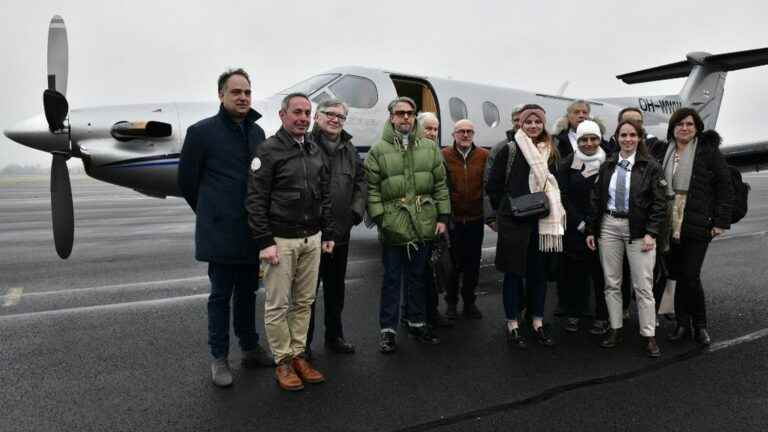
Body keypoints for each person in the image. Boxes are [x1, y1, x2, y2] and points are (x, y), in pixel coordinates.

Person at [178, 68, 273, 388]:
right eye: (236, 92)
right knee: (220, 297)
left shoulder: (257, 133)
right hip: (219, 232)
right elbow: (187, 183)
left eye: (247, 92)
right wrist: (211, 213)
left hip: (251, 232)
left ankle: (249, 348)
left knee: (249, 293)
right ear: (221, 95)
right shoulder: (200, 133)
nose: (243, 97)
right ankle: (219, 357)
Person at [246, 92, 336, 391]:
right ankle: (283, 361)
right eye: (297, 112)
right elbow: (255, 200)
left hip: (312, 239)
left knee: (305, 302)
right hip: (281, 241)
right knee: (277, 305)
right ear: (283, 115)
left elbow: (324, 195)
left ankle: (298, 355)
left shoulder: (314, 149)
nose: (303, 118)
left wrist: (328, 233)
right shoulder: (268, 151)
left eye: (307, 113)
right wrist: (264, 241)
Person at [365, 96, 451, 354]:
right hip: (393, 226)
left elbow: (439, 186)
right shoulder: (378, 151)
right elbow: (372, 191)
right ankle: (388, 331)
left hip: (423, 224)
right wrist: (382, 219)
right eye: (400, 113)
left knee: (418, 277)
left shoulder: (429, 147)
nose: (405, 117)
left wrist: (443, 217)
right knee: (391, 280)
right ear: (391, 117)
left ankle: (417, 322)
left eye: (410, 113)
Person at [486, 104, 566, 348]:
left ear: (543, 124)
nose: (533, 126)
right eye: (528, 122)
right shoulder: (509, 149)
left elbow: (558, 182)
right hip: (515, 223)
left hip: (542, 222)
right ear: (520, 123)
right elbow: (493, 185)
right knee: (513, 275)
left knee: (538, 275)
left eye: (537, 122)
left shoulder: (552, 150)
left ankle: (537, 322)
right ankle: (513, 324)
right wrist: (508, 209)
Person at [586, 120, 667, 357]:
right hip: (609, 226)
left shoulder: (650, 166)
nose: (628, 139)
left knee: (643, 286)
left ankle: (649, 334)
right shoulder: (608, 164)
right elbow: (596, 198)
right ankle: (615, 328)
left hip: (639, 230)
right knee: (611, 282)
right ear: (616, 138)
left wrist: (652, 233)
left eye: (633, 135)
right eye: (623, 135)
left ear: (639, 138)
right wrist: (592, 229)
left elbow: (659, 204)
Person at [662, 108, 733, 346]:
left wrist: (721, 221)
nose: (685, 128)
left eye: (690, 124)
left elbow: (725, 185)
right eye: (680, 124)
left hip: (697, 221)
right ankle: (682, 324)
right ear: (673, 127)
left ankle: (700, 325)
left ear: (697, 128)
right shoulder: (664, 151)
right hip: (669, 221)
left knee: (691, 275)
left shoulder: (708, 152)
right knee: (678, 275)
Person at [306, 99, 366, 356]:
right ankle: (303, 345)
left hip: (340, 233)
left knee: (335, 289)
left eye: (341, 116)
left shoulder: (349, 150)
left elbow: (361, 182)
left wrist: (355, 212)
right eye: (330, 114)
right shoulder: (304, 146)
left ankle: (334, 336)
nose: (335, 119)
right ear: (317, 117)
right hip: (310, 234)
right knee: (306, 294)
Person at [557, 120, 608, 335]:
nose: (589, 143)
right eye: (584, 139)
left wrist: (594, 222)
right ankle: (575, 313)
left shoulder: (610, 162)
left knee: (602, 274)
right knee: (575, 274)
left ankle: (602, 315)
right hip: (575, 227)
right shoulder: (567, 164)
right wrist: (579, 222)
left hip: (603, 225)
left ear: (599, 139)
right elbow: (563, 196)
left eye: (593, 139)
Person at [442, 119, 489, 319]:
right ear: (453, 135)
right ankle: (451, 303)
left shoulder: (484, 156)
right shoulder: (443, 155)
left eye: (470, 131)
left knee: (472, 264)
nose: (466, 135)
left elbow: (488, 185)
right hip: (453, 220)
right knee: (452, 265)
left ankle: (469, 302)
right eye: (461, 131)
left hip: (475, 219)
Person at [414, 112, 453, 329]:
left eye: (435, 129)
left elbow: (444, 188)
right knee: (418, 271)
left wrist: (445, 217)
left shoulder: (438, 154)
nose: (432, 132)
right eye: (427, 128)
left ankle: (432, 312)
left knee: (436, 269)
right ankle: (416, 315)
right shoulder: (411, 152)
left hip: (438, 221)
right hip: (418, 222)